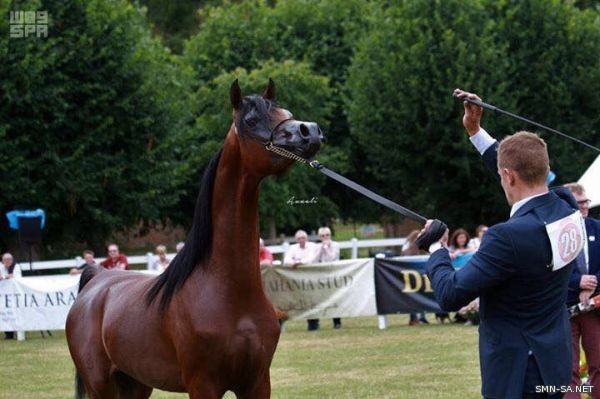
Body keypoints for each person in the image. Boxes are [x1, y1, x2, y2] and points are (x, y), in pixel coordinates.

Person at [422, 88, 584, 399]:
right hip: (555, 366)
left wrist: (436, 248)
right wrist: (475, 132)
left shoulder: (506, 237)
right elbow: (522, 171)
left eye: (501, 174)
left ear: (508, 177)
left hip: (518, 373)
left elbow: (450, 295)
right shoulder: (568, 206)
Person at [564, 182, 600, 399]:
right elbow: (549, 267)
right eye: (579, 203)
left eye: (586, 201)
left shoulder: (597, 227)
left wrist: (592, 282)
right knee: (568, 369)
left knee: (598, 364)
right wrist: (577, 282)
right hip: (564, 308)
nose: (585, 206)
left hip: (594, 308)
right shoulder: (553, 233)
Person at [309, 227, 342, 330]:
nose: (325, 237)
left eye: (327, 235)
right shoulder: (317, 246)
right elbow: (313, 260)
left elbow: (332, 258)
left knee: (334, 298)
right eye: (322, 236)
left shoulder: (336, 245)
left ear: (330, 235)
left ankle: (337, 322)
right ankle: (315, 323)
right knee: (317, 299)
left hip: (333, 275)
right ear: (320, 237)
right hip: (321, 276)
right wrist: (320, 249)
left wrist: (326, 248)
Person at [401, 230, 431, 325]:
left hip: (422, 273)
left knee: (423, 295)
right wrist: (414, 246)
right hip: (410, 273)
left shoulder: (425, 245)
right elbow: (404, 255)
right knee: (412, 296)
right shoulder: (407, 245)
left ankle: (422, 317)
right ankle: (413, 318)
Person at [1, 252, 21, 339]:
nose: (7, 262)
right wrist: (7, 276)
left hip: (15, 294)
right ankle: (8, 333)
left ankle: (17, 332)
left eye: (9, 260)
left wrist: (5, 277)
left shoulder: (16, 266)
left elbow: (16, 277)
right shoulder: (1, 267)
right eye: (5, 260)